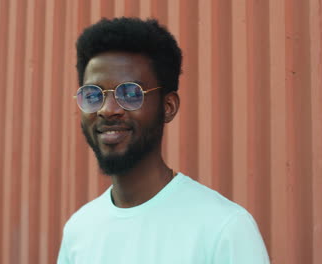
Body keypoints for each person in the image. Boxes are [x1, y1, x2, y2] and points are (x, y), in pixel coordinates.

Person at [57, 17, 270, 264]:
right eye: (93, 95)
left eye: (129, 93)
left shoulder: (223, 229)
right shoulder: (79, 231)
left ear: (168, 107)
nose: (107, 109)